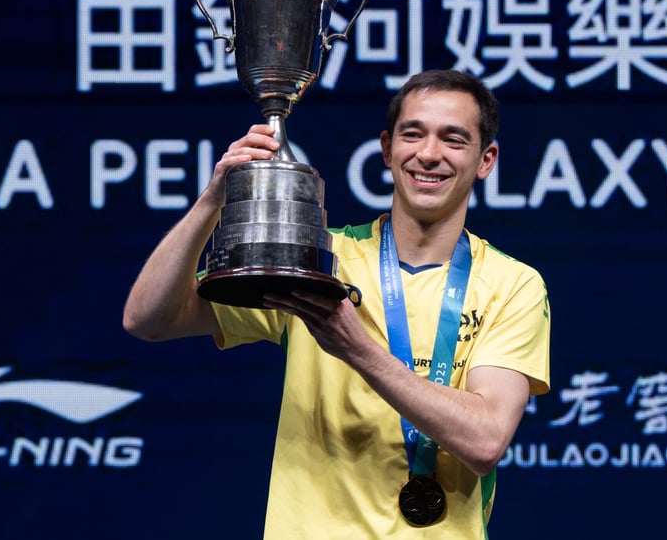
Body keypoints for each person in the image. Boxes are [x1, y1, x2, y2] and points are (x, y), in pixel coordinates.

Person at [123, 69, 551, 538]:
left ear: (485, 159)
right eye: (413, 134)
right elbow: (149, 318)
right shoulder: (316, 259)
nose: (429, 154)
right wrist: (212, 201)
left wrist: (355, 347)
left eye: (453, 139)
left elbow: (485, 440)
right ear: (387, 149)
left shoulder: (512, 284)